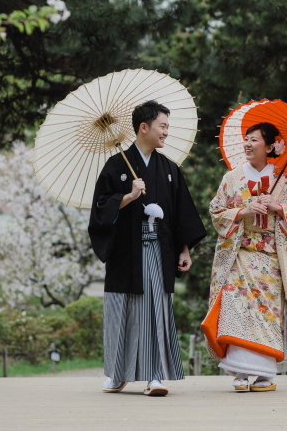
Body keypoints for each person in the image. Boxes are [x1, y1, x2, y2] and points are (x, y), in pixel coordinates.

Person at [89, 100, 206, 396]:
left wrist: (184, 249)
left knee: (156, 309)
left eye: (167, 127)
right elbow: (100, 209)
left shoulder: (169, 169)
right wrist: (128, 196)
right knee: (122, 309)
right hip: (126, 251)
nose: (166, 132)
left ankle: (155, 375)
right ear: (144, 127)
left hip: (159, 249)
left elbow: (182, 213)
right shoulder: (116, 166)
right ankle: (118, 374)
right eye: (162, 126)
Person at [203, 122, 287, 392]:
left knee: (268, 315)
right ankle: (238, 371)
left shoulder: (284, 181)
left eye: (254, 140)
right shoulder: (232, 178)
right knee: (235, 307)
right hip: (240, 255)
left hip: (271, 260)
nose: (248, 144)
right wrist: (242, 212)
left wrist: (279, 207)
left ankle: (264, 375)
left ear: (270, 146)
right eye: (246, 140)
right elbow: (216, 212)